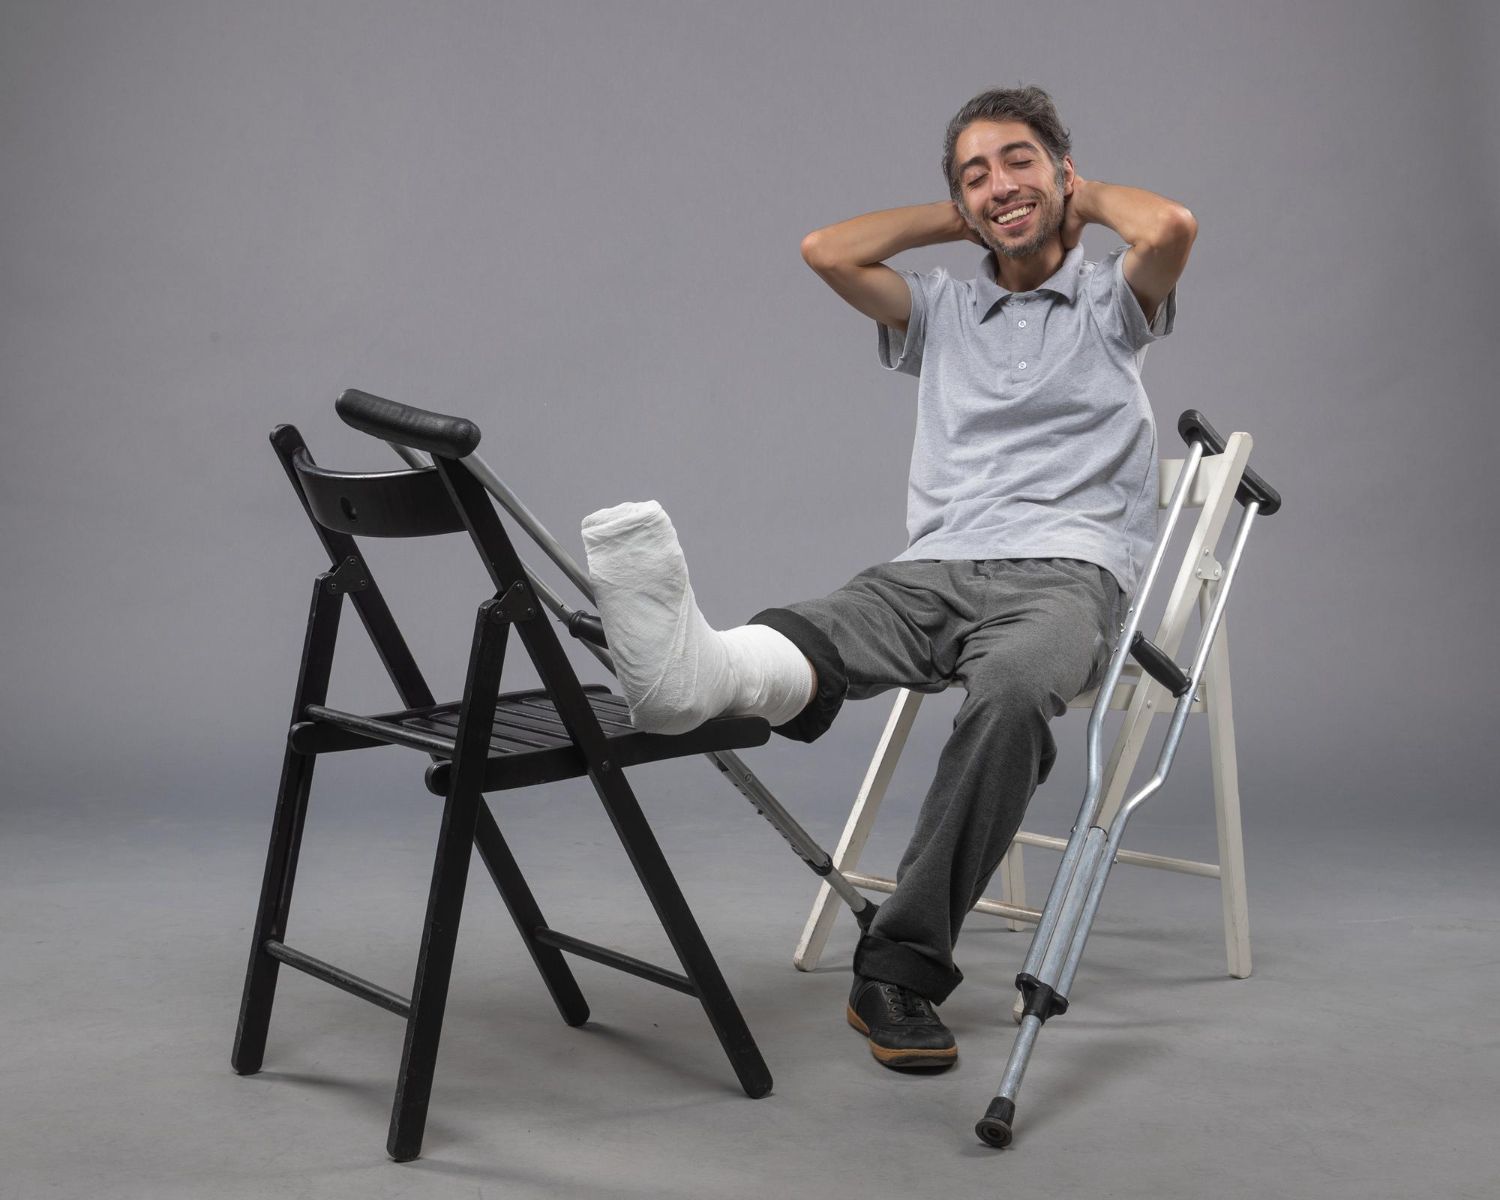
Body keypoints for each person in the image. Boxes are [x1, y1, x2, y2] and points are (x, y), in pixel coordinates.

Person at [581, 85, 1195, 1071]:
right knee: (816, 627)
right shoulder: (946, 311)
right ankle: (685, 679)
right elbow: (827, 248)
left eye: (1020, 160)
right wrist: (970, 219)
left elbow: (1169, 224)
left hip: (1067, 581)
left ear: (1065, 169)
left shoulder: (1110, 303)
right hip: (931, 575)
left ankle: (900, 965)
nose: (999, 184)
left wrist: (1070, 201)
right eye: (973, 174)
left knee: (1008, 694)